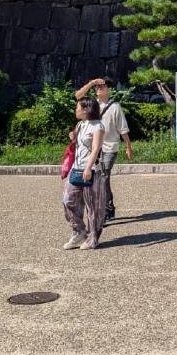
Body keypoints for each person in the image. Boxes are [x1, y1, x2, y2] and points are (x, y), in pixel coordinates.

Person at [75, 77, 133, 223]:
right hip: (93, 147)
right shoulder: (92, 104)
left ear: (109, 89)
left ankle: (106, 210)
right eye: (98, 87)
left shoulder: (115, 107)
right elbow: (78, 96)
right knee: (98, 178)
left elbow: (123, 129)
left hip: (110, 147)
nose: (99, 88)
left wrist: (128, 147)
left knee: (103, 176)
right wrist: (92, 82)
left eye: (103, 86)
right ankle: (107, 206)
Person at [62, 96, 106, 249]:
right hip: (76, 168)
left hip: (91, 170)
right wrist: (73, 138)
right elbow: (78, 146)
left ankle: (93, 237)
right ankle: (79, 232)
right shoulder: (80, 124)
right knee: (68, 201)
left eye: (78, 107)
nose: (76, 110)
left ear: (86, 109)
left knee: (93, 207)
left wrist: (88, 168)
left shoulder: (98, 126)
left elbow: (95, 149)